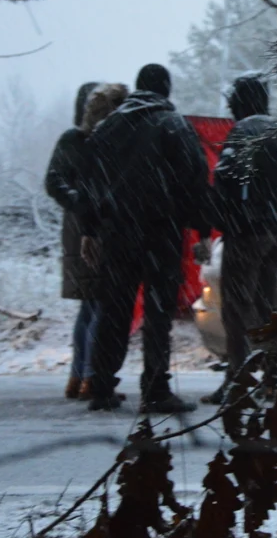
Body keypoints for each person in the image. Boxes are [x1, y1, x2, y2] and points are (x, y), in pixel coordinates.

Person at [79, 63, 213, 412]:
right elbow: (195, 180)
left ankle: (102, 385)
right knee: (158, 313)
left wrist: (90, 230)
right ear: (166, 90)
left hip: (118, 233)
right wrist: (200, 231)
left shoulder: (109, 127)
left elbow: (89, 182)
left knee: (115, 309)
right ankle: (155, 388)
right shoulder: (173, 125)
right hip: (161, 232)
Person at [201, 76, 277, 404]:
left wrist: (215, 220)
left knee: (236, 311)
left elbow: (225, 180)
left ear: (240, 103)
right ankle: (274, 379)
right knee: (267, 309)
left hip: (245, 233)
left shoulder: (243, 132)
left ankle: (238, 383)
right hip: (276, 232)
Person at [45, 82, 100, 399]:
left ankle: (78, 375)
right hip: (93, 229)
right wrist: (83, 202)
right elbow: (55, 181)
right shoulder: (96, 141)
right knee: (99, 304)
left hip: (74, 228)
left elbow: (54, 181)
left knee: (89, 304)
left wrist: (74, 201)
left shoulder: (71, 140)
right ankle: (90, 375)